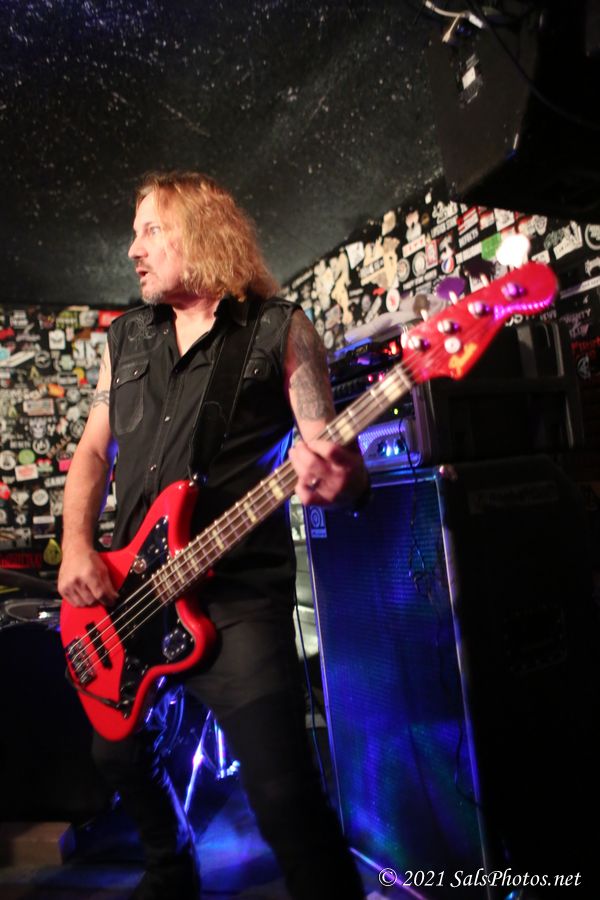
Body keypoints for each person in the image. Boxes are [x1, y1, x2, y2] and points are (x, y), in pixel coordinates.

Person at [58, 171, 369, 900]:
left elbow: (336, 458)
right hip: (129, 592)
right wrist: (76, 546)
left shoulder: (281, 330)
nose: (133, 250)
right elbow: (94, 452)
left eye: (150, 230)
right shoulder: (126, 338)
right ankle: (172, 865)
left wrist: (341, 476)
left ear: (200, 230)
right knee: (116, 756)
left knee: (285, 797)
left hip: (236, 602)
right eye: (134, 233)